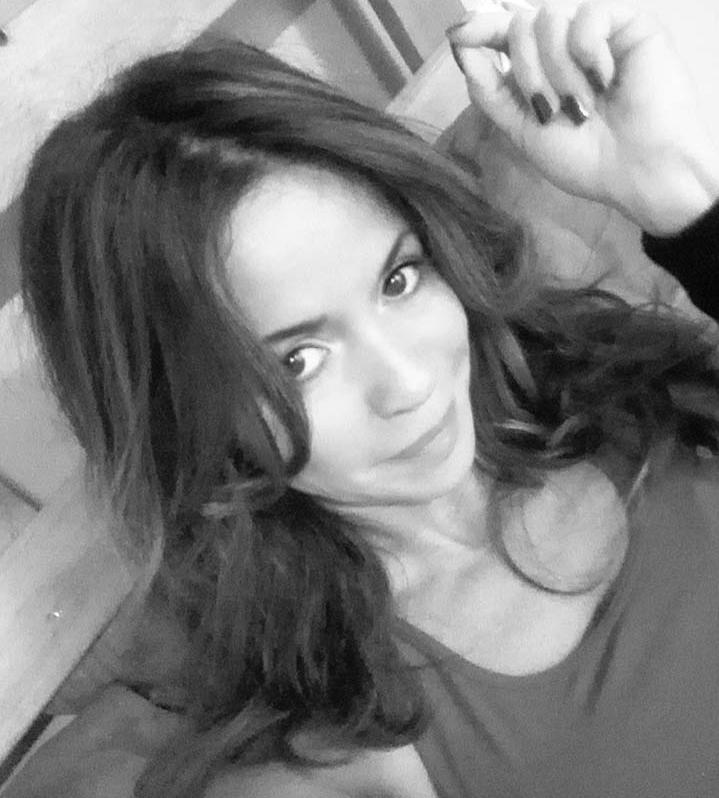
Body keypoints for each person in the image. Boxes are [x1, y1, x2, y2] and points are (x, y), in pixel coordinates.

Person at [8, 0, 719, 795]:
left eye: (399, 279)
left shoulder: (619, 388)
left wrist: (686, 200)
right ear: (184, 416)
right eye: (298, 361)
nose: (408, 382)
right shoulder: (342, 748)